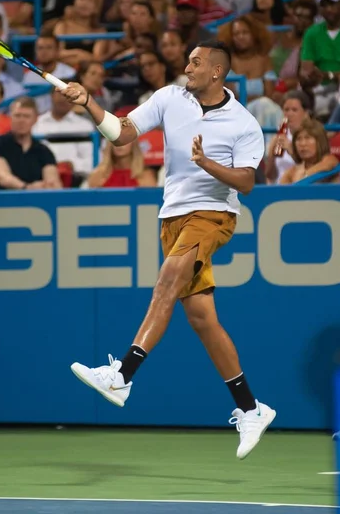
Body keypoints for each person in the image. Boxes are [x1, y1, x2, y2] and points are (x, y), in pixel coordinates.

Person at [62, 40, 276, 460]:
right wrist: (89, 102)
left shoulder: (244, 123)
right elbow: (122, 135)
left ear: (217, 72)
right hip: (173, 217)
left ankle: (122, 374)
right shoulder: (168, 98)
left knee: (165, 284)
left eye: (195, 62)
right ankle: (251, 407)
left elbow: (248, 183)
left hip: (213, 214)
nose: (187, 66)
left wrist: (208, 164)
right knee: (202, 319)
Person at [0, 96, 62, 190]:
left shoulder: (44, 151)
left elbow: (53, 182)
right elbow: (4, 178)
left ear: (35, 119)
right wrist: (27, 188)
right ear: (10, 117)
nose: (21, 121)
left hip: (35, 201)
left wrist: (47, 186)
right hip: (1, 201)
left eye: (26, 116)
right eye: (17, 115)